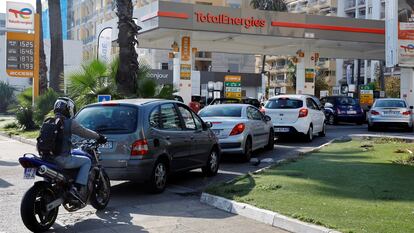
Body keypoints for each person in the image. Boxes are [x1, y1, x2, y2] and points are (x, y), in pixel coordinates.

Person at [52, 97, 107, 202]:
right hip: (62, 160)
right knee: (87, 161)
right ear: (69, 109)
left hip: (47, 158)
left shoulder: (49, 121)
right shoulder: (68, 122)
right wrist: (99, 137)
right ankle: (78, 189)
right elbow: (84, 132)